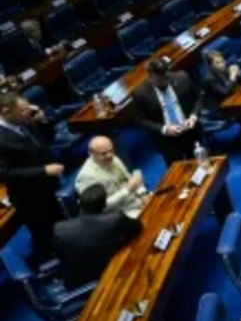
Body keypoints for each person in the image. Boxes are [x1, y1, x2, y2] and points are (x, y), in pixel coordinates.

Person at [0, 92, 64, 262]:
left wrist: (43, 121)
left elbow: (45, 142)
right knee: (48, 238)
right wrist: (43, 171)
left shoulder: (23, 121)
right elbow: (5, 173)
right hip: (30, 199)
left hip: (48, 186)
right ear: (6, 112)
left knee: (62, 226)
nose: (28, 112)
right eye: (22, 110)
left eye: (27, 108)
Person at [51, 184, 142, 288]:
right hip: (104, 281)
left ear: (79, 203)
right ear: (104, 205)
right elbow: (138, 227)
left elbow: (60, 255)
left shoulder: (59, 228)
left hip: (73, 281)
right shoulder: (114, 219)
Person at [132, 58, 201, 166]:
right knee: (177, 170)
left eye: (166, 78)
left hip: (190, 133)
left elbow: (198, 100)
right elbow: (141, 120)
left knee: (198, 165)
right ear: (150, 77)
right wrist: (164, 129)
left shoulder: (182, 77)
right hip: (167, 141)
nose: (164, 82)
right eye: (159, 80)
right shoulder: (140, 93)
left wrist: (193, 116)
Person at [75, 136, 149, 219]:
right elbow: (98, 208)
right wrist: (126, 190)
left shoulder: (114, 159)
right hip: (119, 212)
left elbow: (131, 180)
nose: (109, 155)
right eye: (103, 153)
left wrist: (143, 193)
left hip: (135, 199)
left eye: (111, 150)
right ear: (92, 154)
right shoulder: (86, 177)